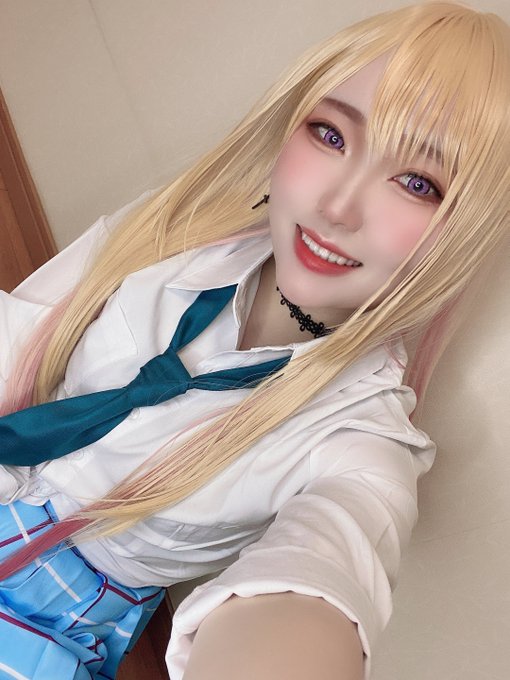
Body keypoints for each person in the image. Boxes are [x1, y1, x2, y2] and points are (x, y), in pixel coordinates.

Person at [0, 1, 508, 678]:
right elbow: (18, 332)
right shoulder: (171, 235)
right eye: (331, 135)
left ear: (466, 229)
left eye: (417, 183)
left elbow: (326, 566)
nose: (336, 206)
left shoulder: (361, 435)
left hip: (47, 622)